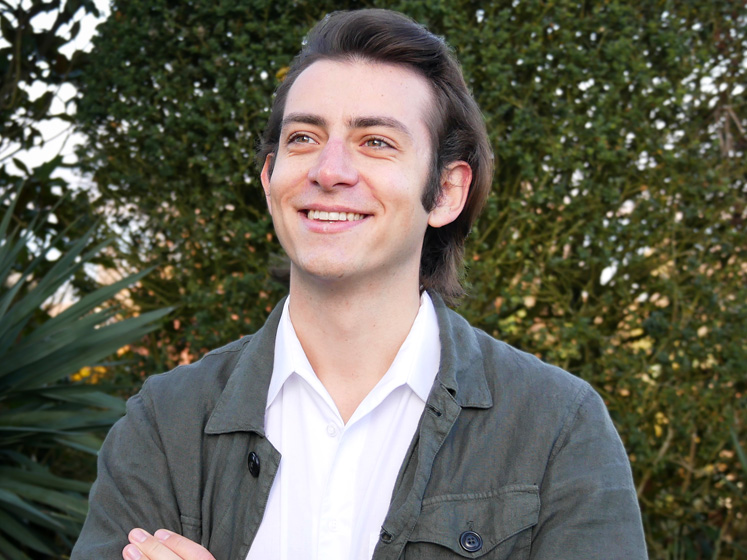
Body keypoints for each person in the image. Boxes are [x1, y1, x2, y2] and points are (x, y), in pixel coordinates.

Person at [72, 9, 647, 560]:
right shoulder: (164, 425)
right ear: (270, 177)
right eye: (302, 138)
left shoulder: (556, 428)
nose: (329, 169)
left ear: (446, 191)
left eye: (376, 142)